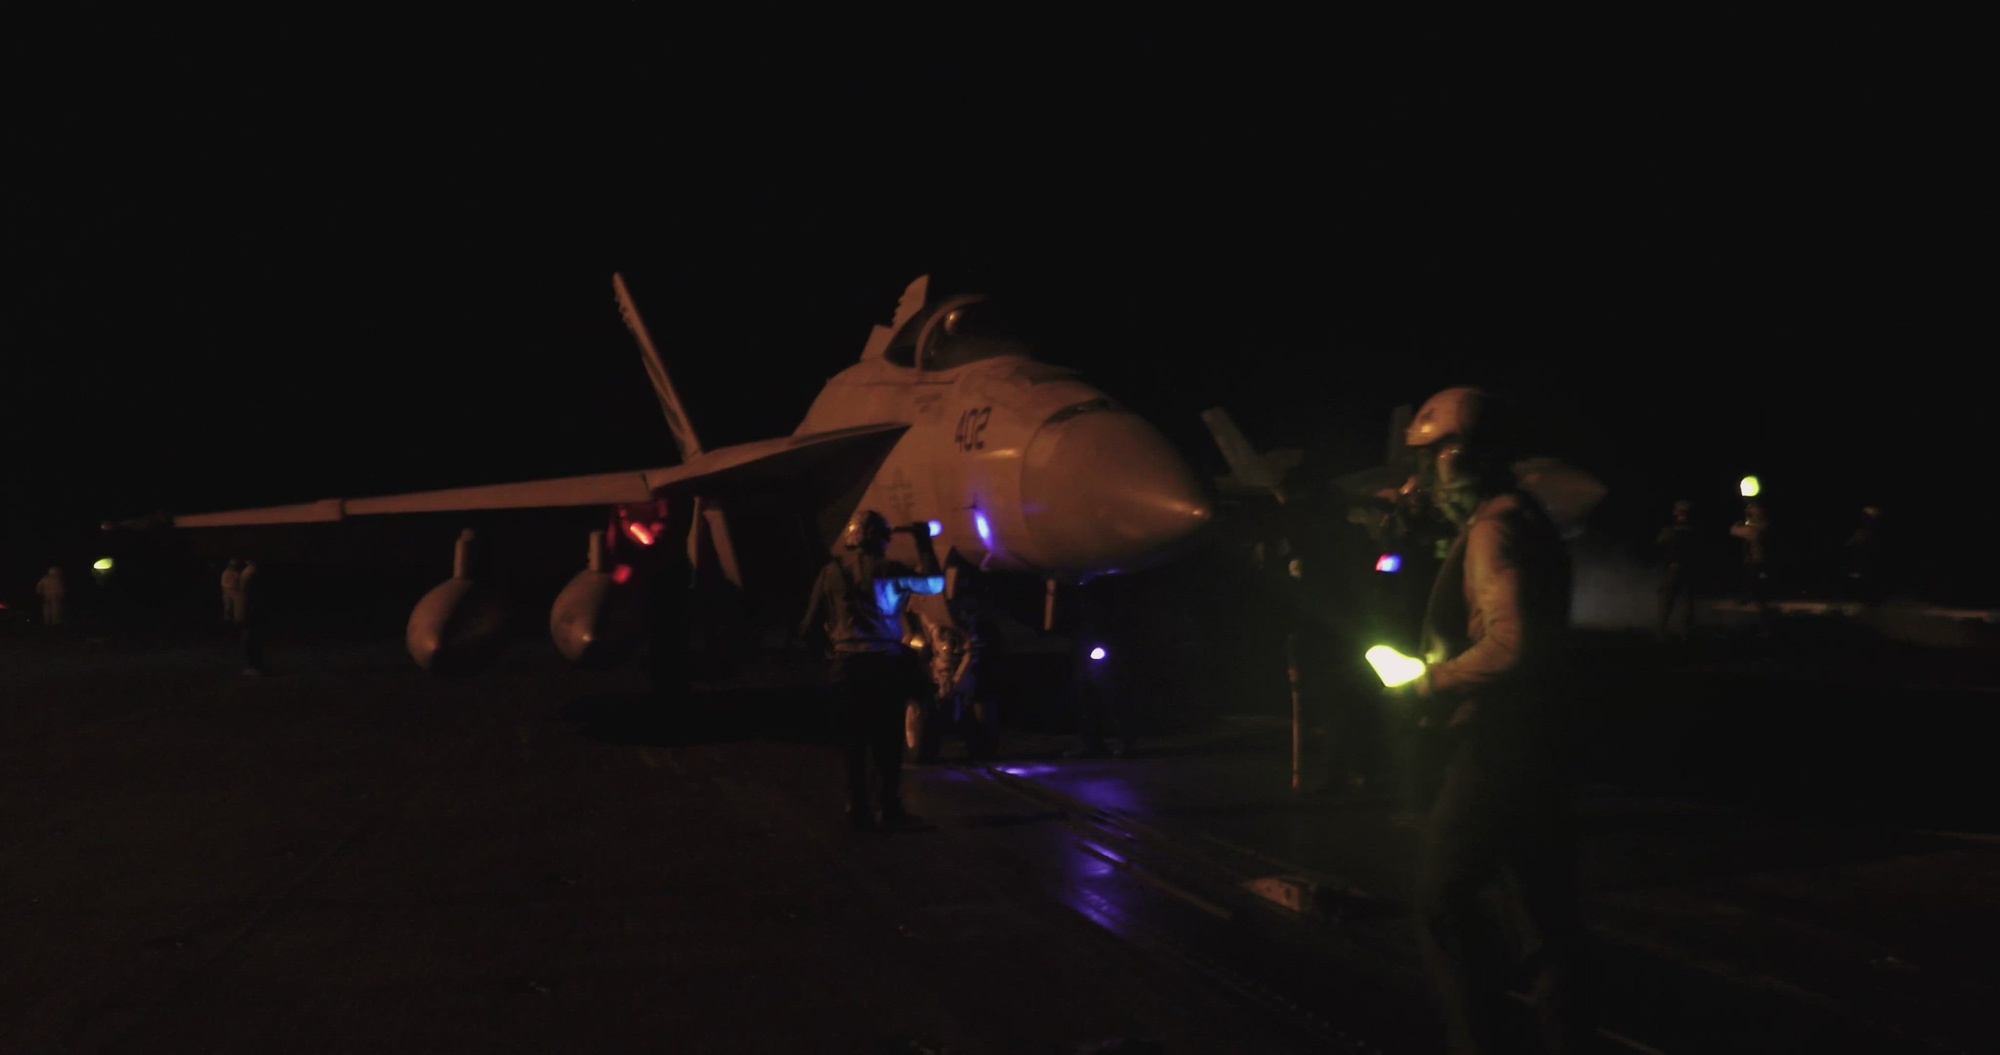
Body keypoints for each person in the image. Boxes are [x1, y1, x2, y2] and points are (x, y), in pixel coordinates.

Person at [1386, 386, 1588, 1054]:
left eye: (1433, 454)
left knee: (1440, 897)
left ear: (1457, 453)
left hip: (1497, 741)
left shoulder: (1494, 526)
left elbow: (1510, 644)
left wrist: (1429, 683)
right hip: (1541, 736)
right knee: (1540, 909)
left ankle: (1479, 1041)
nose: (1424, 472)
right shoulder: (1523, 516)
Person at [798, 509, 944, 831]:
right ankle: (889, 808)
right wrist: (924, 545)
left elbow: (808, 626)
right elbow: (933, 583)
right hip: (884, 665)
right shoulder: (890, 571)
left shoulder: (829, 573)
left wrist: (828, 654)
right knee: (887, 740)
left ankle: (857, 808)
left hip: (846, 666)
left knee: (853, 742)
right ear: (881, 539)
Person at [1654, 499, 1699, 645]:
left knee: (1666, 603)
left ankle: (1661, 634)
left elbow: (1659, 544)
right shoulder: (1694, 531)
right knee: (1686, 604)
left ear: (1677, 512)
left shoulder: (1670, 530)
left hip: (1672, 570)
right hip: (1689, 570)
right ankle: (1685, 635)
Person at [237, 559, 266, 675]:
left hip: (251, 610)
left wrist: (241, 612)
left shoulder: (249, 572)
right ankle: (253, 664)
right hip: (253, 610)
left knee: (250, 637)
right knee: (251, 637)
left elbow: (244, 595)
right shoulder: (252, 572)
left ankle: (252, 665)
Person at [221, 558, 246, 626]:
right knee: (229, 608)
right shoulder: (228, 573)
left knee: (235, 610)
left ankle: (235, 624)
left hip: (234, 593)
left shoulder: (236, 573)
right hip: (231, 592)